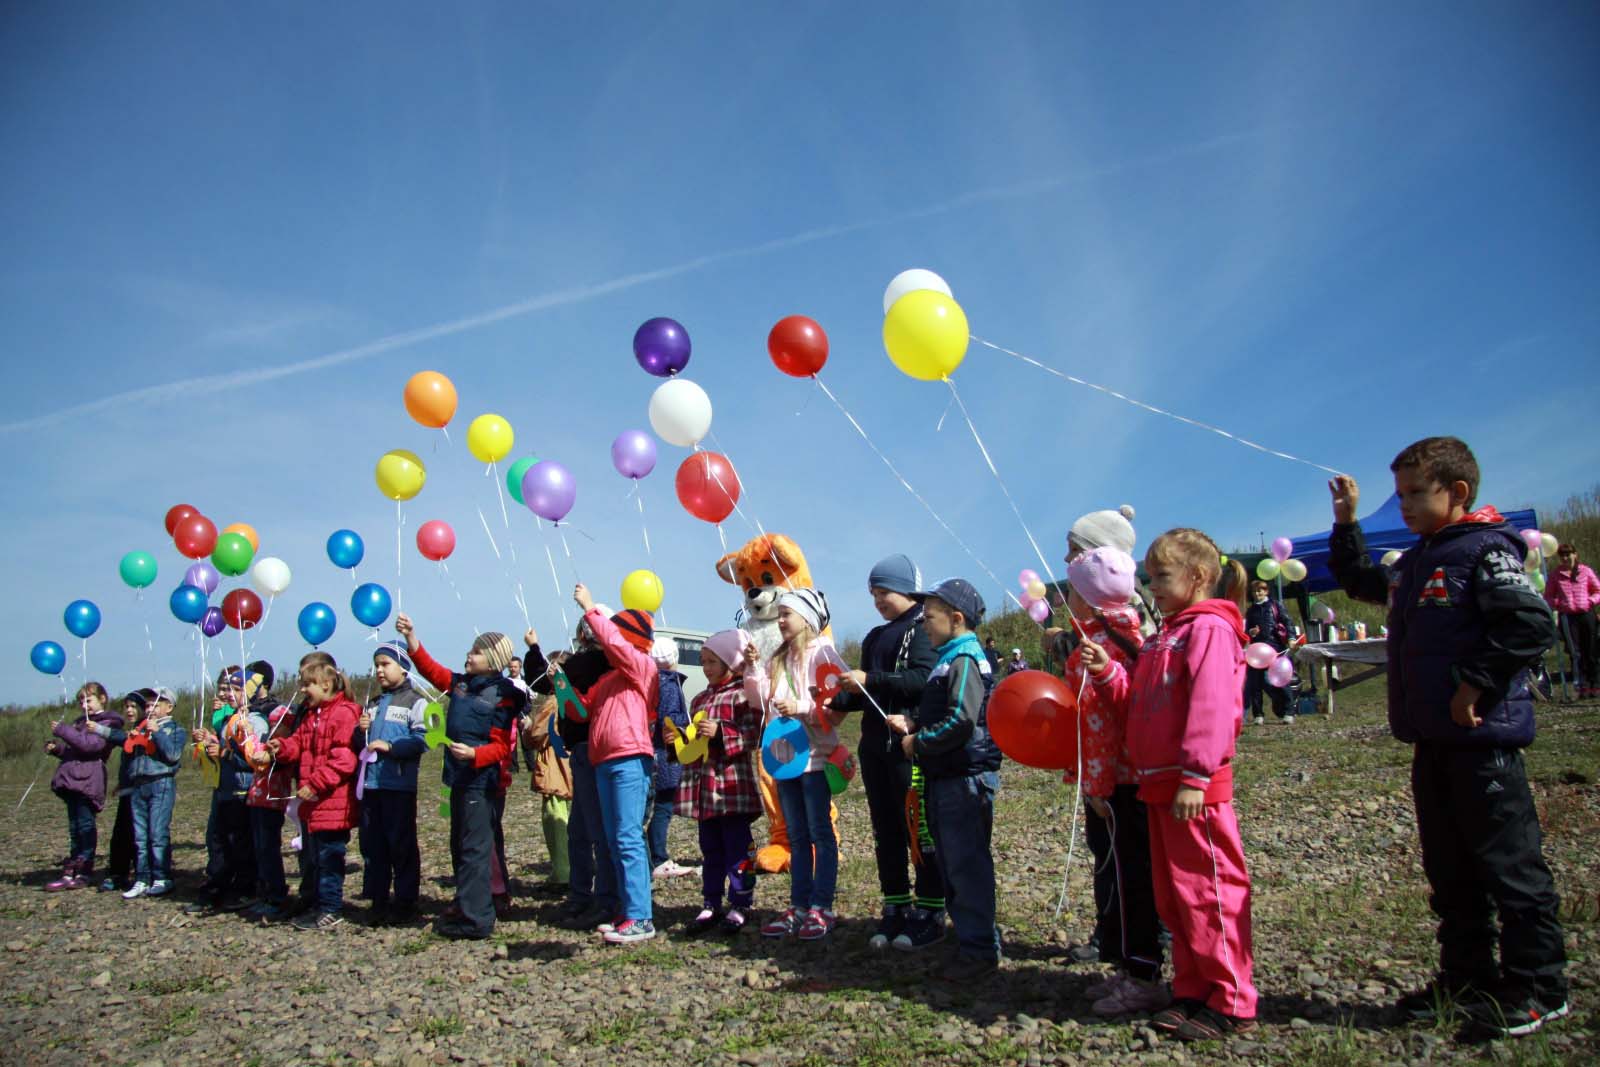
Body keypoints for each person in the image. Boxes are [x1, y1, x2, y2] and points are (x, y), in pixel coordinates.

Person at [1328, 437, 1567, 1038]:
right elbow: (1358, 578)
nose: (1404, 505)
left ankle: (1539, 984)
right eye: (1399, 493)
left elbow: (1530, 621)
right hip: (1432, 740)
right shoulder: (1416, 561)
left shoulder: (1484, 551)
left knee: (1507, 866)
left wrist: (1476, 685)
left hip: (1482, 741)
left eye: (1415, 492)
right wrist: (1347, 522)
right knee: (1450, 869)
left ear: (1456, 493)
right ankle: (1467, 975)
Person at [1081, 529, 1257, 1041]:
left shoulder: (1209, 630)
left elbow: (1212, 703)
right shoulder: (1164, 635)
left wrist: (1197, 774)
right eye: (1148, 576)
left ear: (1198, 576)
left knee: (1210, 890)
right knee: (1175, 894)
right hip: (1158, 784)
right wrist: (1111, 673)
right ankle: (1191, 988)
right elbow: (1139, 699)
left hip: (1192, 786)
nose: (1148, 586)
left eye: (1159, 576)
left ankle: (1231, 997)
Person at [1059, 549, 1164, 1017]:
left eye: (1073, 592)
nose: (1066, 600)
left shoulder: (1099, 645)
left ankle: (1141, 972)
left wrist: (1095, 784)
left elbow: (1100, 721)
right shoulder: (1135, 631)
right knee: (1124, 874)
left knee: (1128, 878)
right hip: (1130, 778)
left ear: (1090, 599)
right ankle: (1130, 968)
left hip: (1118, 783)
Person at [888, 578, 1001, 982]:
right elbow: (945, 713)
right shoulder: (947, 657)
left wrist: (919, 741)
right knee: (953, 861)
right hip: (947, 775)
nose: (923, 626)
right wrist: (915, 720)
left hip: (964, 778)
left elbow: (963, 720)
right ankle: (970, 941)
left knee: (966, 864)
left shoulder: (965, 658)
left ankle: (979, 950)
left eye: (929, 618)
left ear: (956, 619)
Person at [833, 553, 943, 951]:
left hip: (909, 745)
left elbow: (922, 680)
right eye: (873, 593)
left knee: (919, 825)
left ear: (907, 589)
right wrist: (838, 698)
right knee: (885, 829)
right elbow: (869, 695)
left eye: (885, 591)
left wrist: (870, 678)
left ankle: (930, 908)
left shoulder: (923, 626)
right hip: (873, 748)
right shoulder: (874, 637)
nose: (878, 599)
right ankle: (894, 903)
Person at [395, 613, 525, 940]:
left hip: (482, 783)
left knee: (475, 849)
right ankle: (468, 902)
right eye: (471, 650)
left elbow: (500, 748)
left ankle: (477, 919)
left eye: (477, 652)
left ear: (493, 659)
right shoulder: (461, 685)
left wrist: (475, 755)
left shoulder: (502, 696)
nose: (469, 655)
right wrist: (412, 638)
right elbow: (430, 669)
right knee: (459, 844)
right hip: (459, 778)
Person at [747, 588, 844, 942]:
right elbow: (763, 702)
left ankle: (823, 905)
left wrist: (801, 708)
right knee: (796, 835)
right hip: (785, 758)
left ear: (809, 619)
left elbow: (837, 709)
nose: (781, 619)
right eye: (781, 613)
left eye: (787, 613)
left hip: (815, 760)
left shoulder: (824, 653)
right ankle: (799, 905)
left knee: (821, 833)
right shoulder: (779, 657)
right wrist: (752, 668)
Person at [572, 584, 661, 945]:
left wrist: (592, 609)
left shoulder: (643, 667)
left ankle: (641, 916)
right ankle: (626, 911)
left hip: (629, 759)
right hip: (603, 761)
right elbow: (582, 710)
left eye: (613, 637)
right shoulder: (609, 678)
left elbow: (616, 645)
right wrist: (564, 690)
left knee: (627, 837)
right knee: (613, 839)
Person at [528, 618, 620, 931]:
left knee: (590, 829)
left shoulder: (592, 662)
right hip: (587, 749)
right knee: (585, 829)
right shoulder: (605, 661)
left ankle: (598, 899)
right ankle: (586, 896)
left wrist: (547, 664)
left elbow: (543, 684)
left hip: (590, 749)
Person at [676, 628, 763, 935]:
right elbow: (693, 743)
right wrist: (678, 741)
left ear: (729, 661)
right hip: (705, 787)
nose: (706, 667)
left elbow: (755, 735)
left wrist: (723, 732)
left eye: (712, 661)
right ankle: (711, 902)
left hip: (732, 786)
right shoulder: (699, 698)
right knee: (710, 848)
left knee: (738, 848)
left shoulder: (743, 695)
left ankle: (741, 903)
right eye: (703, 661)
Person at [268, 660, 361, 931]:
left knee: (330, 859)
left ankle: (331, 909)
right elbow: (299, 743)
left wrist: (317, 784)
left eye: (307, 684)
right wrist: (282, 747)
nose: (302, 689)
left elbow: (344, 759)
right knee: (314, 859)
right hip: (313, 804)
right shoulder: (311, 714)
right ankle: (317, 905)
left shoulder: (344, 713)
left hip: (333, 802)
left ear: (325, 684)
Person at [356, 642, 430, 925]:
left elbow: (422, 741)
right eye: (376, 665)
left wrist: (390, 746)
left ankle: (406, 900)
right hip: (371, 786)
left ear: (403, 666)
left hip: (398, 786)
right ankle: (377, 898)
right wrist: (359, 731)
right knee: (373, 845)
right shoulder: (373, 704)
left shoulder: (415, 702)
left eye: (385, 664)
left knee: (401, 844)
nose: (379, 670)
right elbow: (360, 746)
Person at [189, 665, 271, 915]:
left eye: (237, 689)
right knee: (218, 840)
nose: (229, 694)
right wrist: (211, 741)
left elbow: (254, 759)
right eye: (229, 688)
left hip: (241, 789)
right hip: (224, 787)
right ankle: (216, 887)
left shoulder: (254, 721)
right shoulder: (229, 718)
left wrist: (224, 753)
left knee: (240, 842)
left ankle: (245, 888)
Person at [44, 682, 122, 892]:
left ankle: (84, 871)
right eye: (81, 701)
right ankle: (70, 871)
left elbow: (91, 746)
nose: (84, 705)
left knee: (86, 827)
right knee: (75, 828)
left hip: (88, 781)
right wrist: (58, 749)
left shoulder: (109, 722)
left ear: (102, 699)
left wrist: (63, 730)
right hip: (71, 780)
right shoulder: (80, 723)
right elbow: (75, 750)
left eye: (88, 700)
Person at [120, 687, 187, 899]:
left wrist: (156, 731)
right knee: (140, 836)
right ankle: (142, 878)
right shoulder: (140, 728)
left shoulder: (175, 729)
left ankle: (162, 876)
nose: (150, 708)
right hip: (139, 785)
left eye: (156, 704)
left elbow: (173, 755)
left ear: (169, 707)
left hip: (161, 783)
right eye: (148, 705)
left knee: (157, 833)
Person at [241, 683, 297, 922]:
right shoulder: (268, 743)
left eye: (280, 725)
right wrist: (248, 735)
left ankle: (276, 895)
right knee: (260, 850)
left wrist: (252, 739)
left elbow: (261, 761)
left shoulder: (281, 752)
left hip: (271, 804)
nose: (276, 728)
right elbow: (253, 756)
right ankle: (264, 893)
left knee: (269, 850)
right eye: (274, 724)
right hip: (256, 801)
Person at [93, 689, 154, 892]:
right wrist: (121, 782)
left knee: (139, 833)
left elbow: (122, 739)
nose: (129, 710)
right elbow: (127, 759)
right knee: (120, 835)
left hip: (142, 791)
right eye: (126, 706)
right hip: (128, 790)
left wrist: (99, 729)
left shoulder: (146, 729)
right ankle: (118, 873)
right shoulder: (133, 730)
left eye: (133, 706)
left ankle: (141, 872)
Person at [648, 637, 695, 879]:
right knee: (663, 807)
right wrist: (687, 724)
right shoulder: (667, 684)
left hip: (657, 752)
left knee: (657, 807)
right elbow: (668, 719)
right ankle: (658, 857)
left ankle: (654, 856)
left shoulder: (652, 681)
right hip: (665, 753)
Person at [520, 689, 573, 896]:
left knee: (554, 816)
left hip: (554, 760)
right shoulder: (570, 696)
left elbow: (538, 733)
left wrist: (527, 726)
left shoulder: (554, 700)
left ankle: (562, 873)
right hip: (567, 757)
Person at [1544, 544, 1599, 698]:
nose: (1565, 558)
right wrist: (1558, 604)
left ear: (1575, 554)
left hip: (1586, 613)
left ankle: (1595, 683)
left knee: (1591, 649)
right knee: (1576, 652)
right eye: (1562, 556)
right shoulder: (1555, 575)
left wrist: (1590, 601)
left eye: (1568, 555)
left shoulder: (1586, 571)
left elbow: (1598, 590)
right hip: (1567, 617)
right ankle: (1581, 684)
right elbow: (1548, 596)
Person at [1243, 580, 1293, 726]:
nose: (1257, 594)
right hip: (1257, 650)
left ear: (1266, 591)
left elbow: (1287, 621)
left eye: (1260, 591)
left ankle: (1288, 711)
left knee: (1282, 681)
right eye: (1254, 592)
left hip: (1275, 647)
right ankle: (1258, 714)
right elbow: (1247, 631)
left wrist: (1291, 637)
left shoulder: (1275, 605)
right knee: (1255, 683)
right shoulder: (1251, 610)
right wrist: (1251, 632)